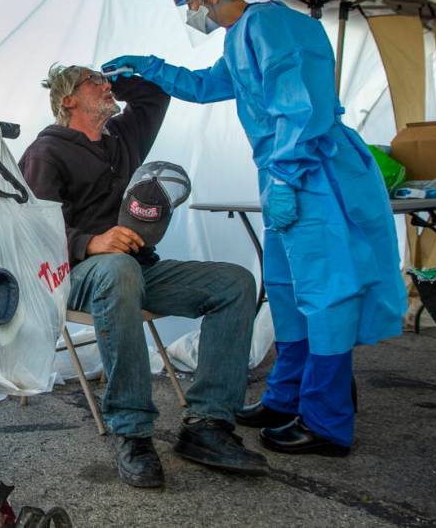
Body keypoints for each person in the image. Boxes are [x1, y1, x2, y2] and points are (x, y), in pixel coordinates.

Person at [104, 0, 406, 457]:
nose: (191, 11)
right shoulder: (239, 40)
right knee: (287, 291)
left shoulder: (268, 25)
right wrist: (151, 68)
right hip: (284, 178)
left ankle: (328, 422)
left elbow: (301, 106)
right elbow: (204, 86)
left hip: (313, 176)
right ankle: (286, 397)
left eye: (190, 1)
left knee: (325, 295)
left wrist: (287, 176)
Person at [19, 63, 268, 488]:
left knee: (235, 282)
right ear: (68, 100)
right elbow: (30, 232)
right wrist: (88, 243)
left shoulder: (123, 136)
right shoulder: (46, 152)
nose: (105, 86)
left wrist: (118, 72)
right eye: (93, 81)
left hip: (136, 270)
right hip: (75, 276)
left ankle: (207, 425)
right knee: (117, 269)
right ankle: (131, 431)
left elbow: (154, 96)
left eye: (106, 79)